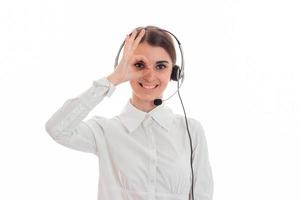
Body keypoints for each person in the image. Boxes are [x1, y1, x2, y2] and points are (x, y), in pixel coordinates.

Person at [45, 25, 214, 200]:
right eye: (139, 65)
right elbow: (56, 129)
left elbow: (203, 195)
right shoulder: (105, 131)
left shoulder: (191, 131)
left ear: (175, 72)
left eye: (161, 66)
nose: (149, 76)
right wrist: (113, 79)